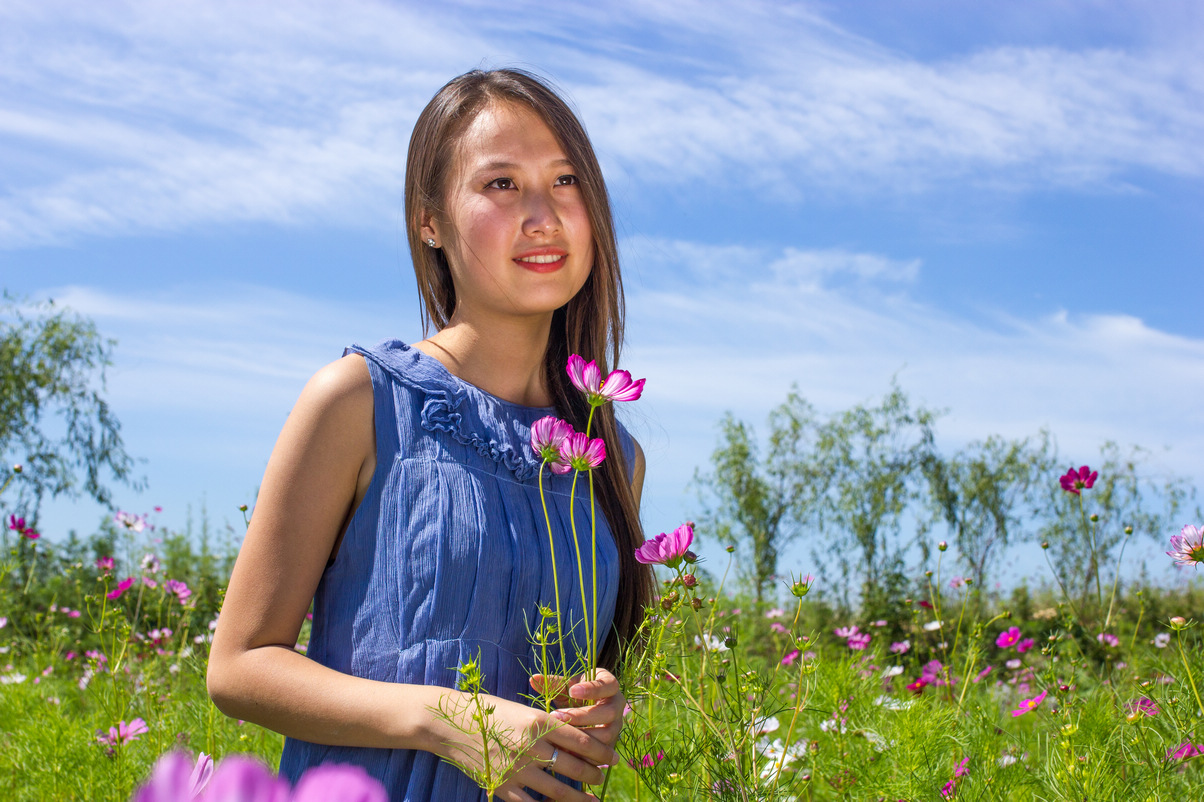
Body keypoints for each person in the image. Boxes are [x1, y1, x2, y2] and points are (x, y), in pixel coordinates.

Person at [206, 68, 654, 802]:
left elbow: (575, 669)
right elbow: (239, 666)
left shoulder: (611, 454)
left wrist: (599, 704)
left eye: (566, 180)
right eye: (501, 184)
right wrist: (448, 719)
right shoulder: (357, 398)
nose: (544, 215)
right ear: (430, 220)